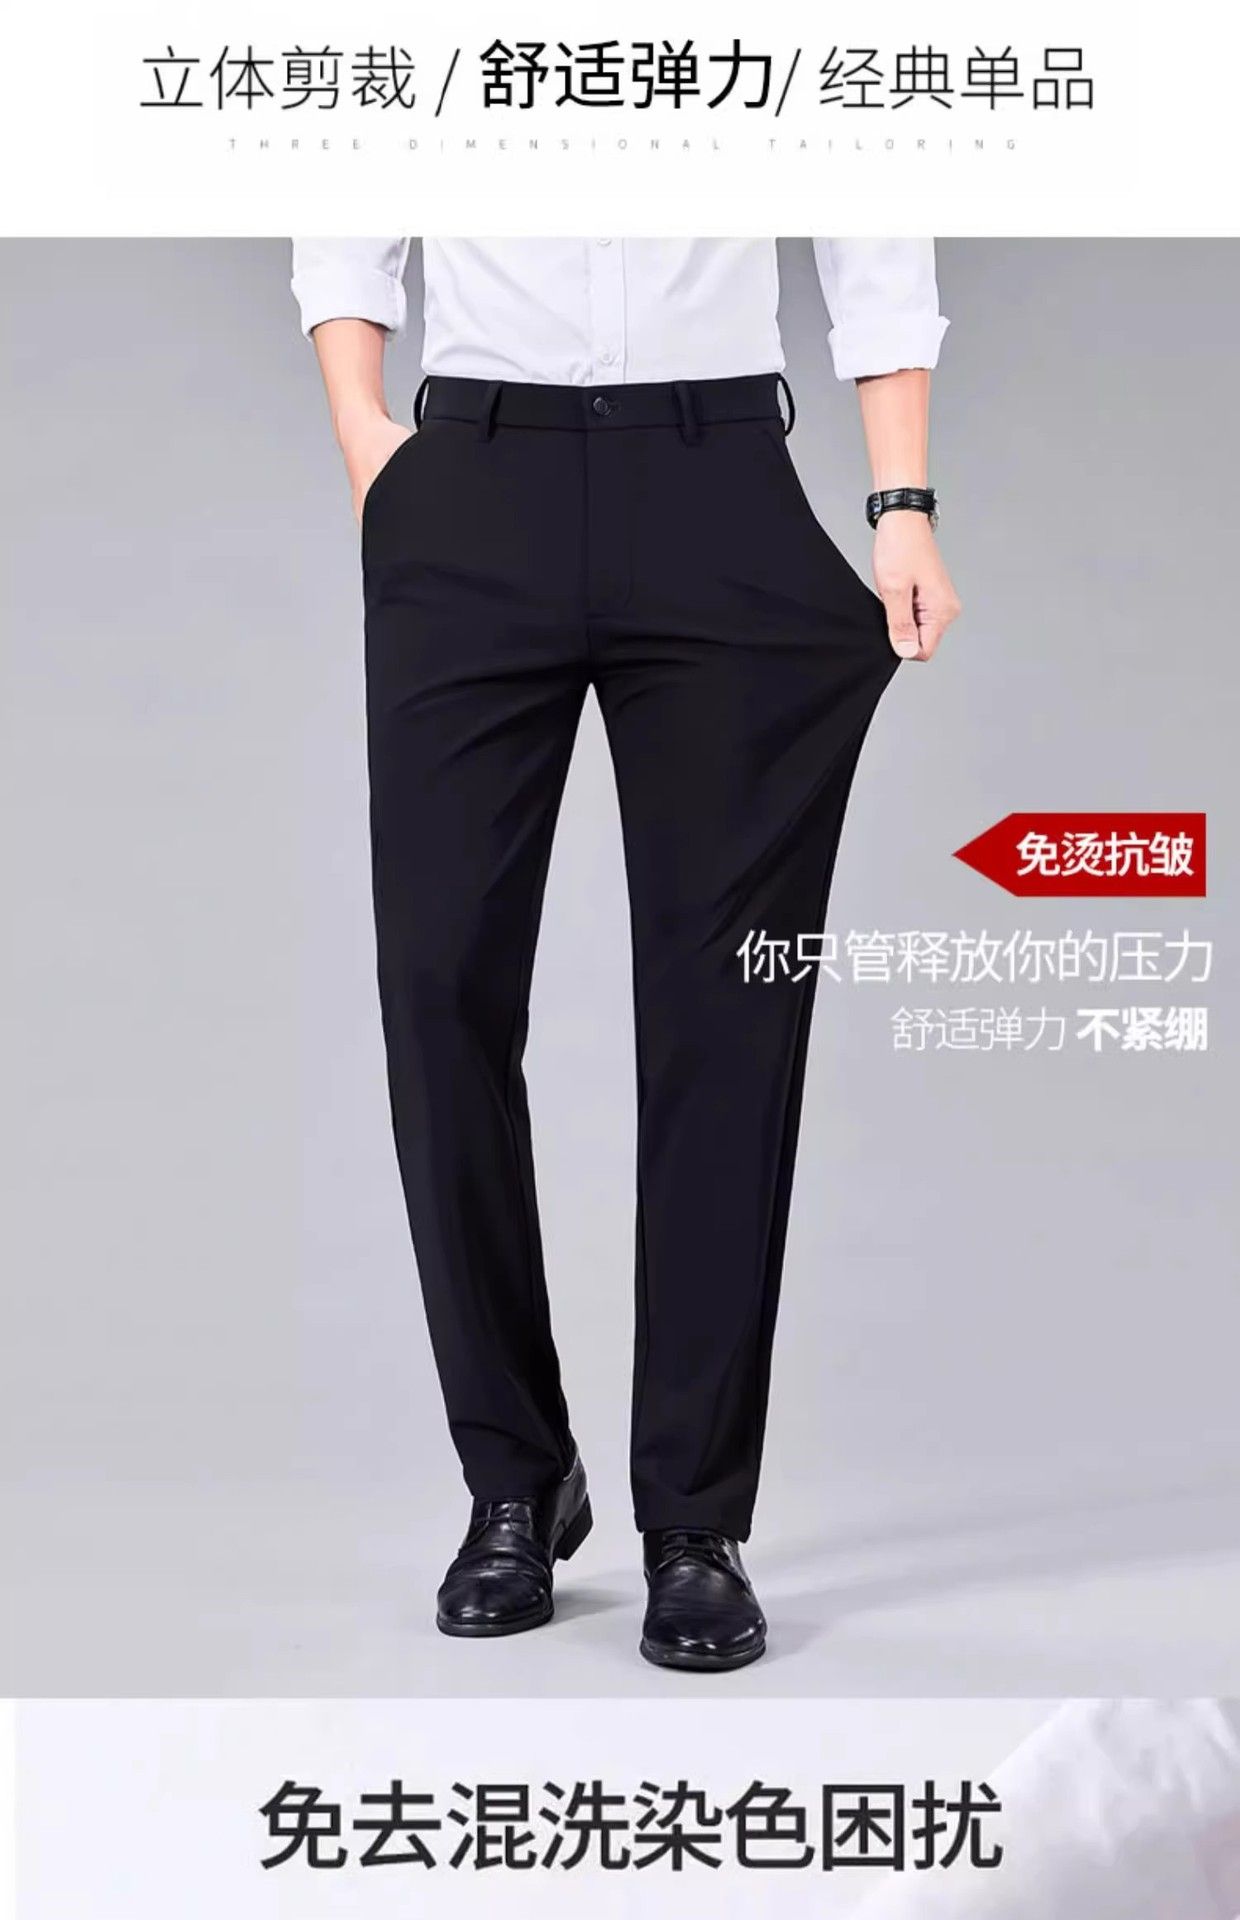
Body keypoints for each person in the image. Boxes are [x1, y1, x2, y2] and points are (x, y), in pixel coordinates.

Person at [291, 238, 961, 1670]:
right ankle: (514, 1479)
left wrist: (902, 500)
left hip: (715, 473)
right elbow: (344, 188)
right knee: (438, 985)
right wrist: (362, 429)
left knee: (730, 1011)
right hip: (474, 481)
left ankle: (696, 1522)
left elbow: (874, 214)